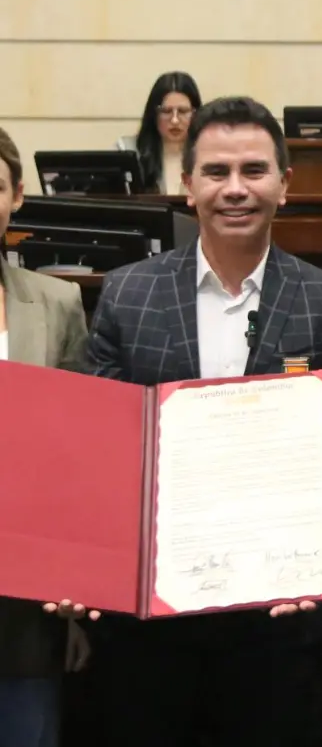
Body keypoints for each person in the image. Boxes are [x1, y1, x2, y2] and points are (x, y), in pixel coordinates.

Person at [86, 96, 322, 747]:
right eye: (215, 172)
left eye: (253, 170)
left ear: (284, 185)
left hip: (276, 616)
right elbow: (104, 443)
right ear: (188, 187)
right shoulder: (128, 293)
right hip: (150, 619)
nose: (235, 188)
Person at [0, 126, 94, 747]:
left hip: (25, 610)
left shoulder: (58, 304)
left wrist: (81, 584)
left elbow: (81, 458)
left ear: (16, 195)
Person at [121, 71, 201, 194]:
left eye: (183, 111)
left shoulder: (209, 153)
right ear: (154, 114)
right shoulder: (128, 151)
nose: (174, 120)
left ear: (196, 113)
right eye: (166, 111)